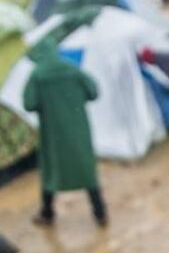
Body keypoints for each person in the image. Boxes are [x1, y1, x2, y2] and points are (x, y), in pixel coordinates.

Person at [22, 39, 108, 227]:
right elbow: (93, 92)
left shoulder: (37, 75)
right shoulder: (72, 68)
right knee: (86, 169)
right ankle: (100, 213)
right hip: (78, 129)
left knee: (51, 172)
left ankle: (47, 213)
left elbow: (29, 104)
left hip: (53, 135)